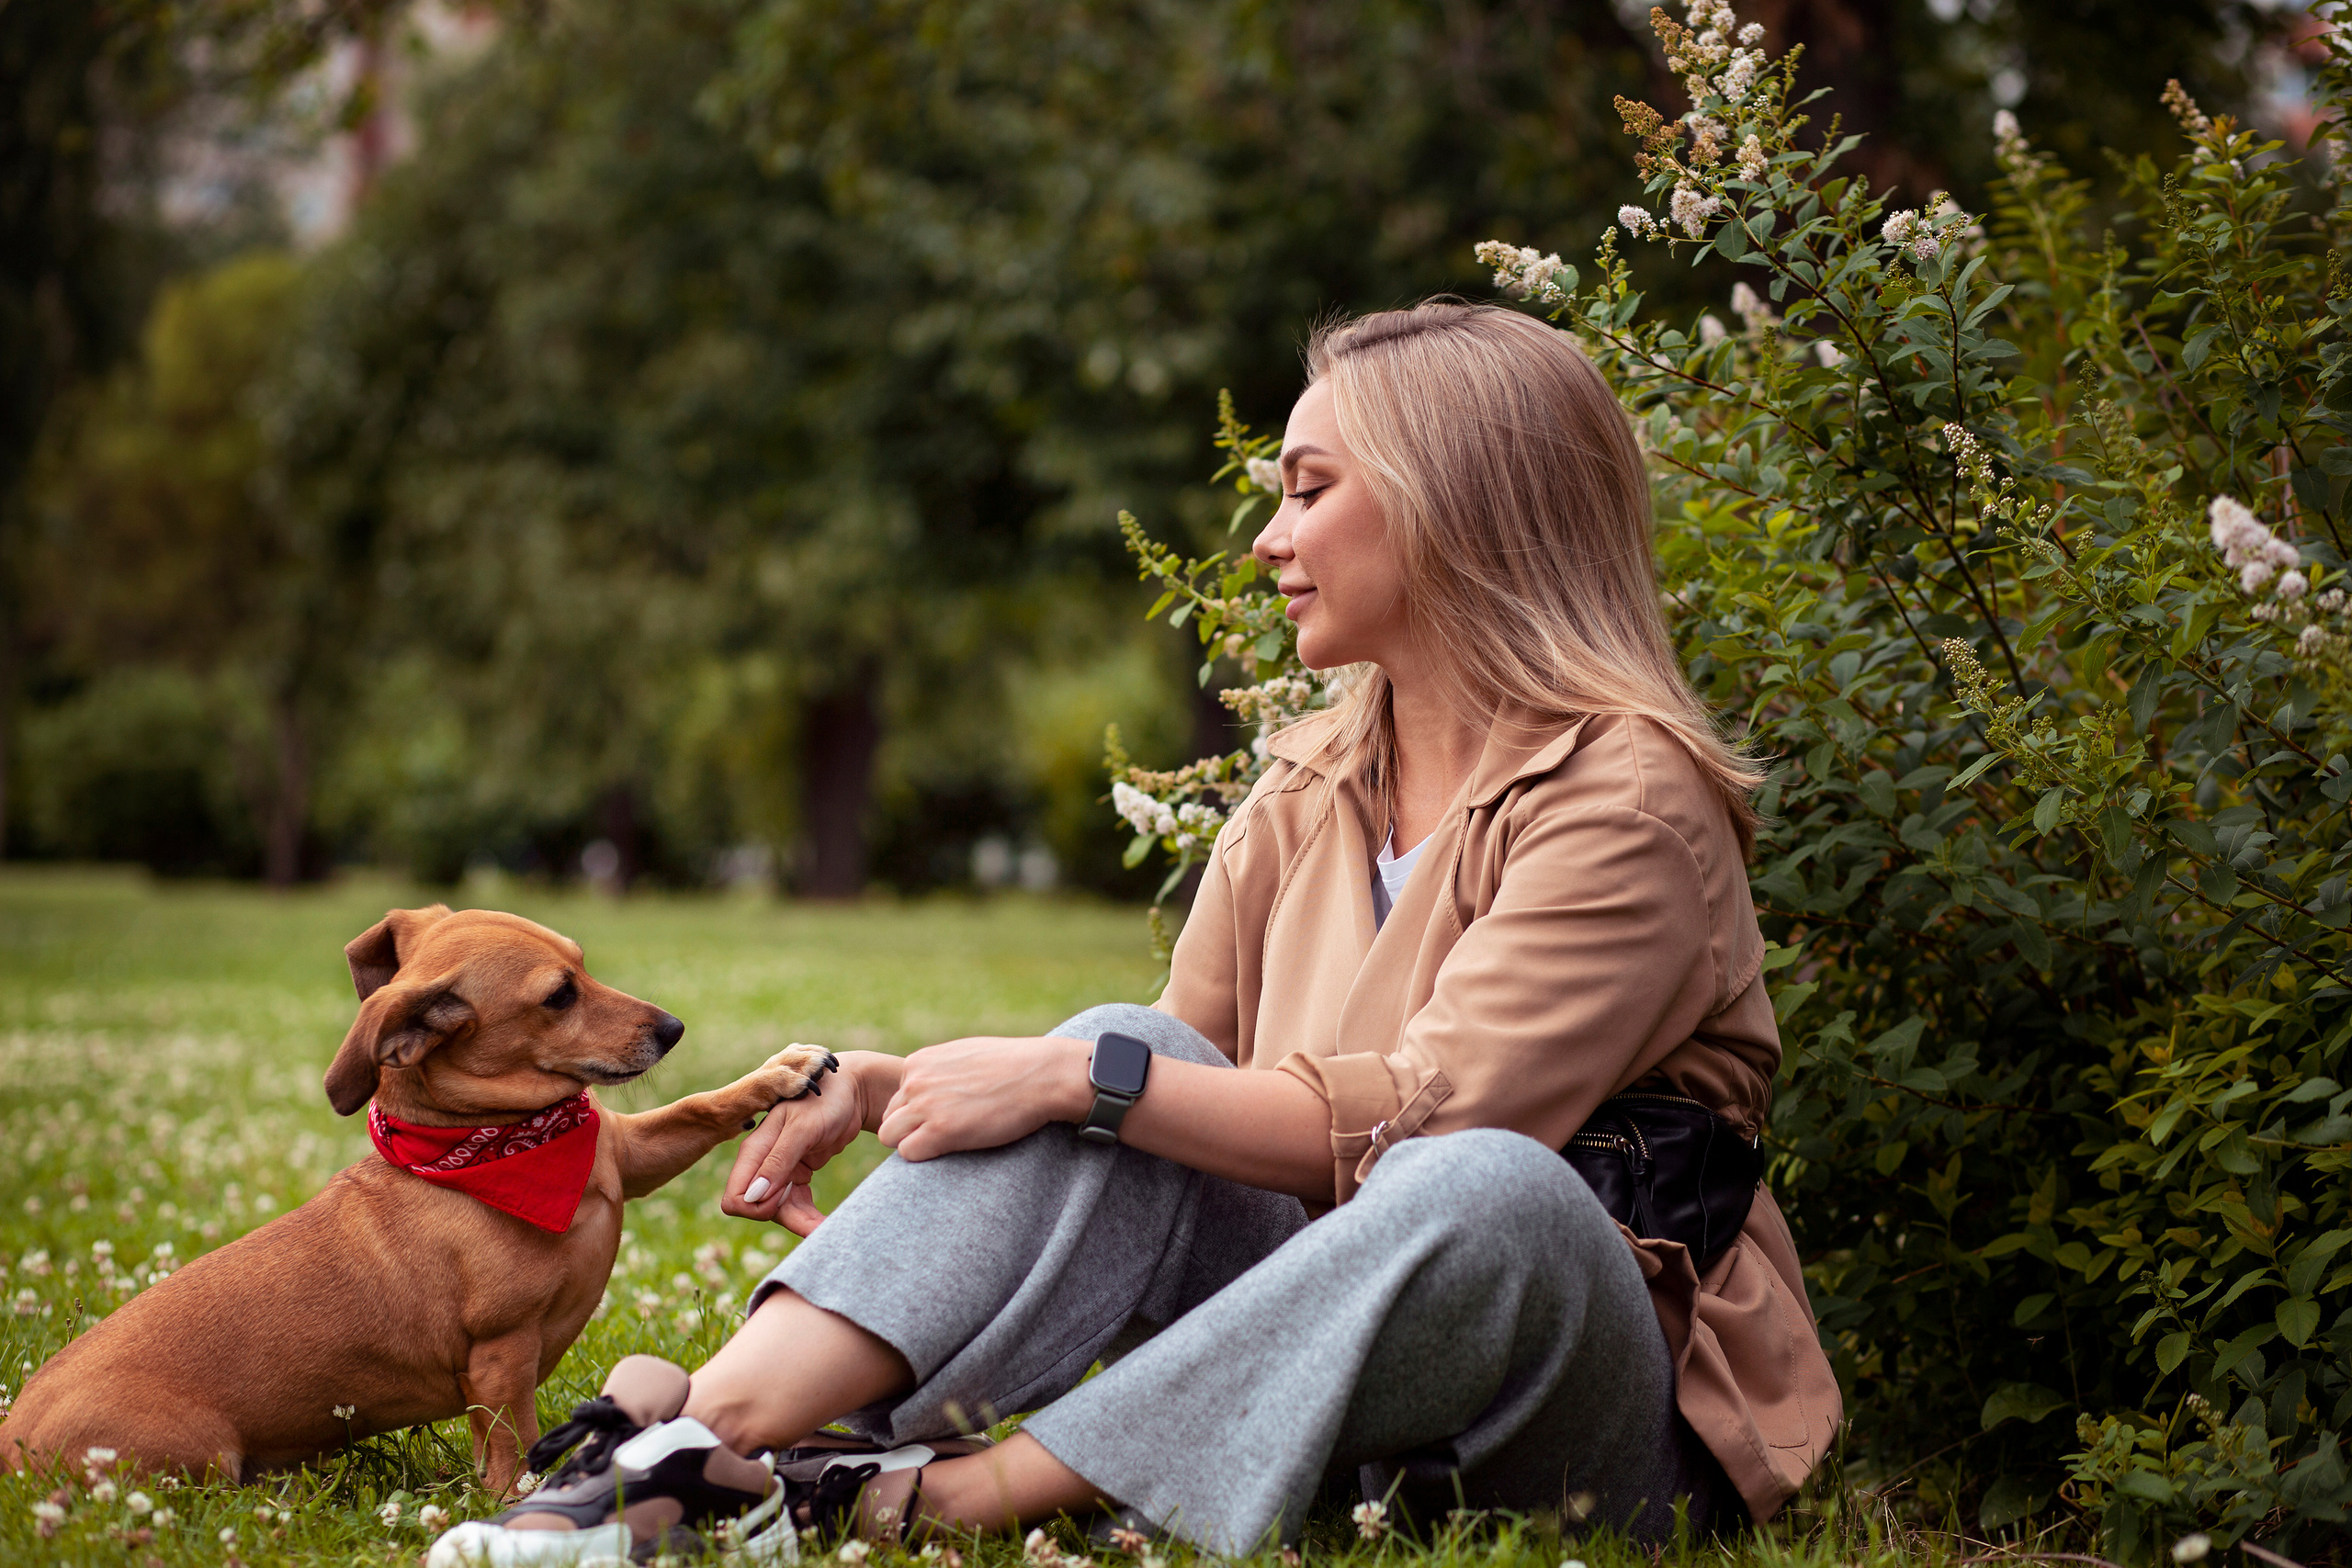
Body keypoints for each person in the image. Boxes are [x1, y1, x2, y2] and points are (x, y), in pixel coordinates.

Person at [431, 301, 1841, 1568]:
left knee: (1481, 1183)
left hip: (1578, 1426)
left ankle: (948, 1499)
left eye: (1310, 492)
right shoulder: (1308, 779)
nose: (1270, 539)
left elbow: (1435, 1121)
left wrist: (1078, 1079)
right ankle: (681, 1462)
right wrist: (885, 1082)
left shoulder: (1630, 798)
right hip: (1308, 1376)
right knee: (1127, 1047)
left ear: (1453, 505)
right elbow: (1179, 1078)